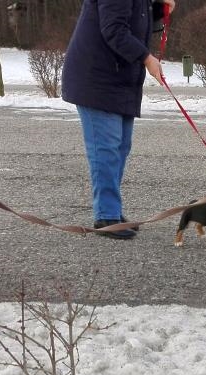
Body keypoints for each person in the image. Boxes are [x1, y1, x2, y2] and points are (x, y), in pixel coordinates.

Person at [62, 0, 176, 240]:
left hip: (119, 79)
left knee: (121, 147)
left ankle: (112, 210)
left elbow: (131, 19)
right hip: (96, 78)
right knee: (106, 150)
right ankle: (106, 216)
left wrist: (156, 10)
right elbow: (113, 28)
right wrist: (146, 57)